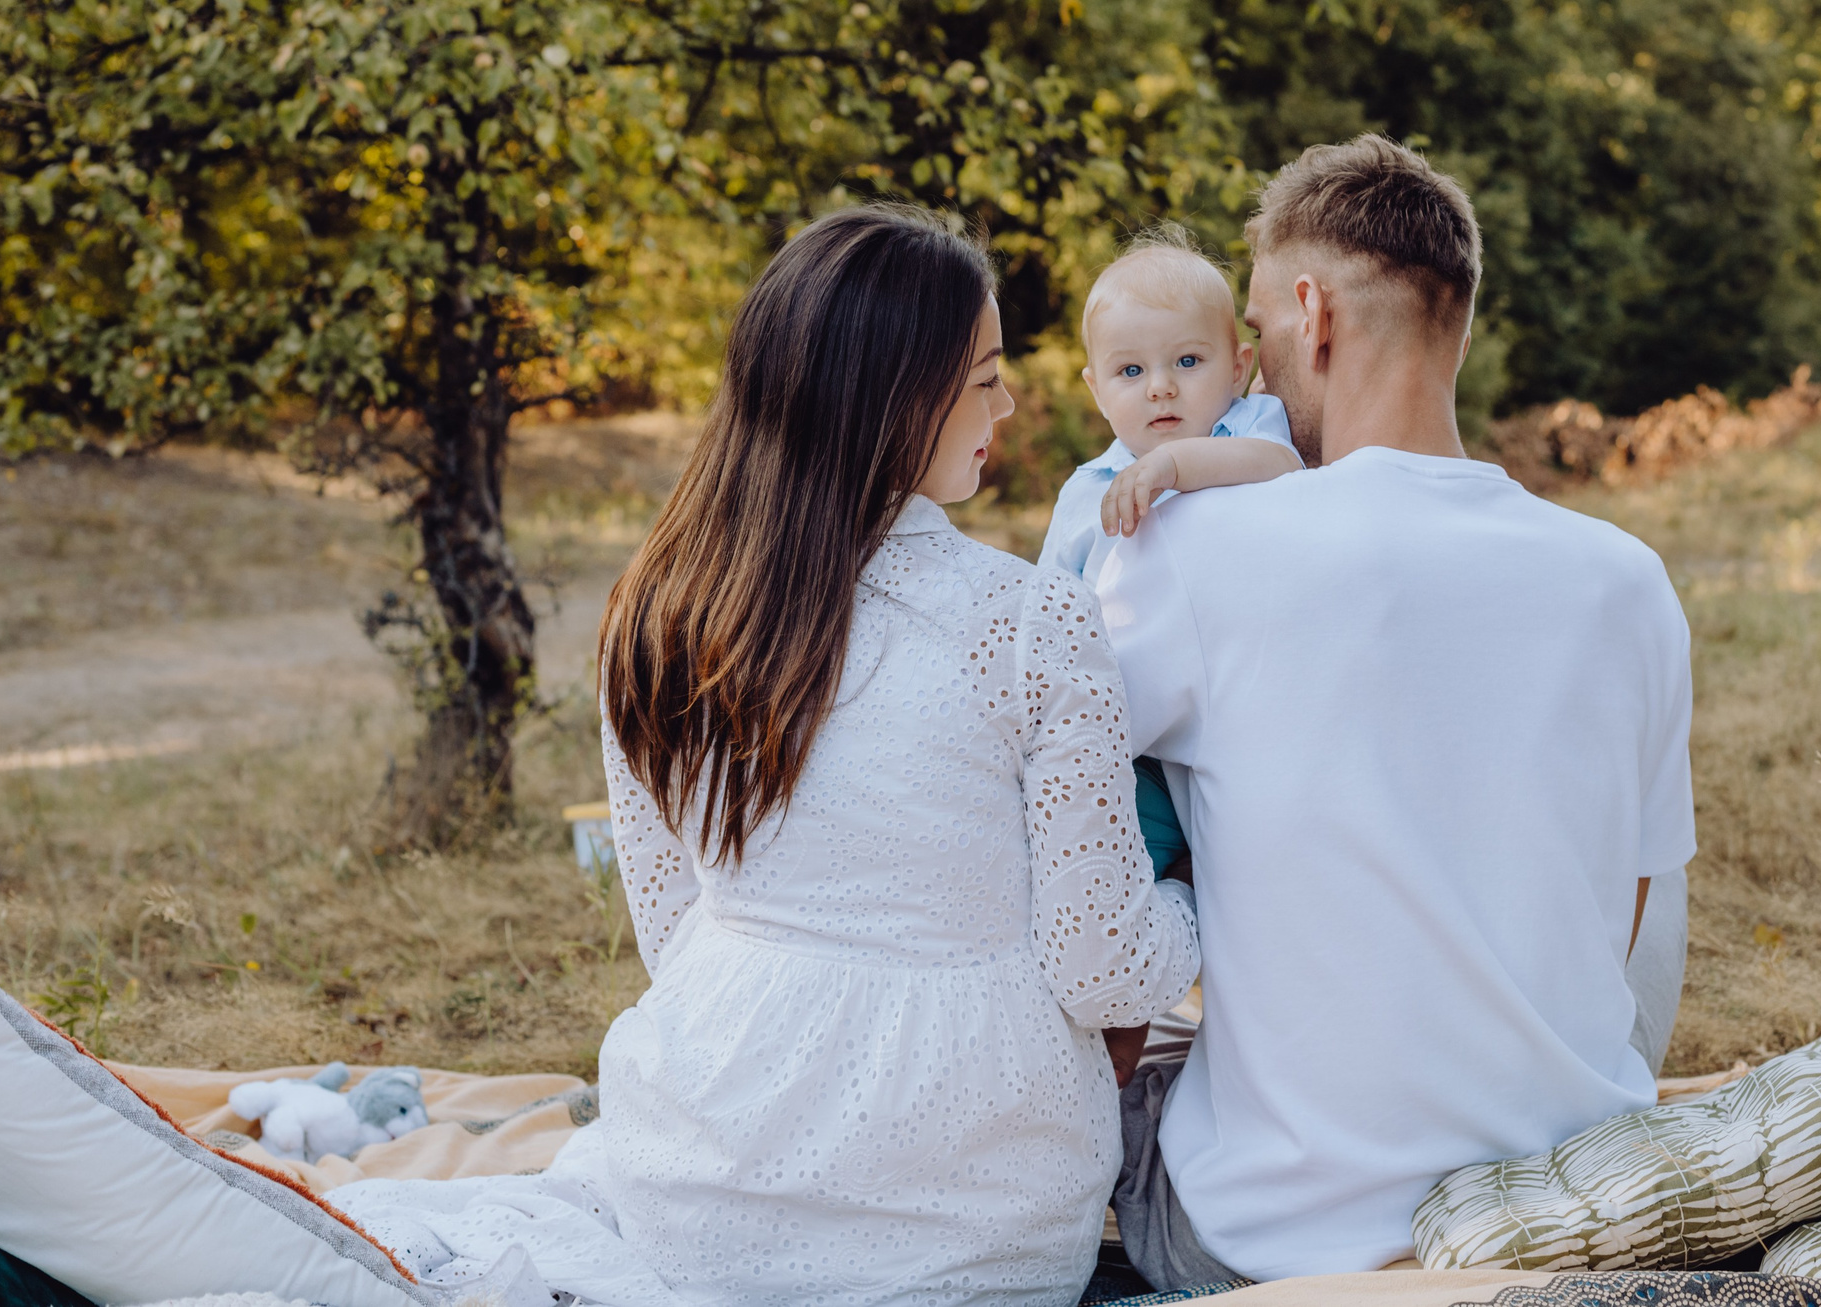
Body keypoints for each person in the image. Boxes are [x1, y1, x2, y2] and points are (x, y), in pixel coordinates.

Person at [332, 206, 1200, 1307]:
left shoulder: (656, 610)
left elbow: (676, 935)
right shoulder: (1032, 621)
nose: (1010, 404)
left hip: (699, 1176)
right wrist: (1191, 899)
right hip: (977, 1211)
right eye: (983, 378)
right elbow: (1100, 966)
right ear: (894, 397)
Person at [1094, 136, 1696, 1289]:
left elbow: (1047, 806)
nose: (1252, 386)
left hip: (1270, 1236)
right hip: (1552, 1203)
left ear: (1311, 315)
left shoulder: (1200, 546)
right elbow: (1625, 917)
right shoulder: (1626, 578)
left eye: (1258, 341)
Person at [1038, 232, 1301, 881]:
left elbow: (1281, 465)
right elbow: (1046, 608)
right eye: (1131, 371)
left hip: (1232, 725)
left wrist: (1173, 466)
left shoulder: (1244, 428)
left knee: (1237, 874)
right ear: (1095, 388)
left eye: (1187, 361)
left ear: (1238, 366)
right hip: (1124, 743)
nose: (1160, 387)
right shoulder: (1086, 491)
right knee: (1098, 867)